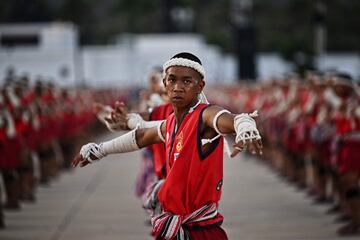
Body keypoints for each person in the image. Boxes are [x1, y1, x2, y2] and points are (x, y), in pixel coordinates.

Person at [72, 52, 262, 240]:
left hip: (201, 232)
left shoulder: (205, 115)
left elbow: (227, 118)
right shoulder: (170, 122)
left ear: (200, 86)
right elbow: (142, 135)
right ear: (165, 83)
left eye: (187, 81)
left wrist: (243, 125)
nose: (177, 87)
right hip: (174, 226)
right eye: (172, 80)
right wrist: (100, 149)